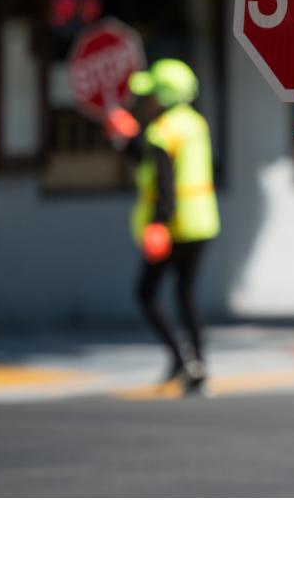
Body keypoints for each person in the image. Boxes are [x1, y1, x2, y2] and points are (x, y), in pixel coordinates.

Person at [105, 59, 220, 394]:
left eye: (151, 95)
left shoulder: (159, 131)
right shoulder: (196, 124)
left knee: (146, 293)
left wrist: (157, 224)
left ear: (164, 96)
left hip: (172, 227)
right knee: (186, 295)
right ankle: (196, 365)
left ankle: (180, 359)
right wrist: (127, 140)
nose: (146, 101)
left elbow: (164, 184)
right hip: (202, 223)